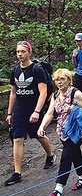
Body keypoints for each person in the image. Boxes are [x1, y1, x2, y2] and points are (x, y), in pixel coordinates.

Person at [5, 41, 55, 186]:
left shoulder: (37, 70)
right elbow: (13, 93)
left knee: (38, 135)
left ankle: (50, 155)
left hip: (34, 109)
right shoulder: (15, 71)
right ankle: (17, 173)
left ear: (29, 53)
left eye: (23, 51)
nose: (20, 54)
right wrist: (10, 113)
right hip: (20, 110)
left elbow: (43, 92)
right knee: (17, 138)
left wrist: (37, 111)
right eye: (18, 52)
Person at [37, 68, 82, 196]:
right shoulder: (55, 95)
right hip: (62, 131)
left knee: (66, 156)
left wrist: (73, 108)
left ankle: (58, 188)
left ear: (69, 80)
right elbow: (50, 113)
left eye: (62, 79)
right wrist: (41, 127)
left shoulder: (75, 93)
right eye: (57, 80)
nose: (59, 82)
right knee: (74, 154)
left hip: (76, 131)